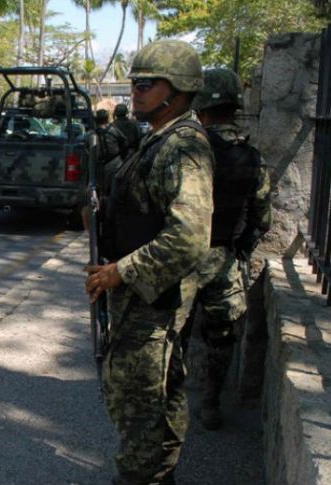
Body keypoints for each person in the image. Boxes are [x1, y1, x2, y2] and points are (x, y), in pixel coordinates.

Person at [84, 39, 214, 485]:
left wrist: (122, 271)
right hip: (143, 297)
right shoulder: (156, 140)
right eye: (134, 83)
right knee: (159, 398)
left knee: (139, 406)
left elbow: (190, 237)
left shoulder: (182, 147)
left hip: (151, 301)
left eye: (145, 84)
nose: (135, 91)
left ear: (176, 91)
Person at [183, 67, 272, 431]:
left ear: (201, 105)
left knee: (175, 331)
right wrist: (239, 249)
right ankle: (210, 404)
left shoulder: (186, 151)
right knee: (220, 339)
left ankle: (170, 401)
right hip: (224, 262)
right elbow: (262, 217)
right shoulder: (251, 157)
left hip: (181, 260)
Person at [95, 108, 129, 195]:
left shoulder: (92, 133)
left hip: (99, 165)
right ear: (107, 119)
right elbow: (124, 142)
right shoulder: (113, 130)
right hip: (115, 163)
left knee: (101, 190)